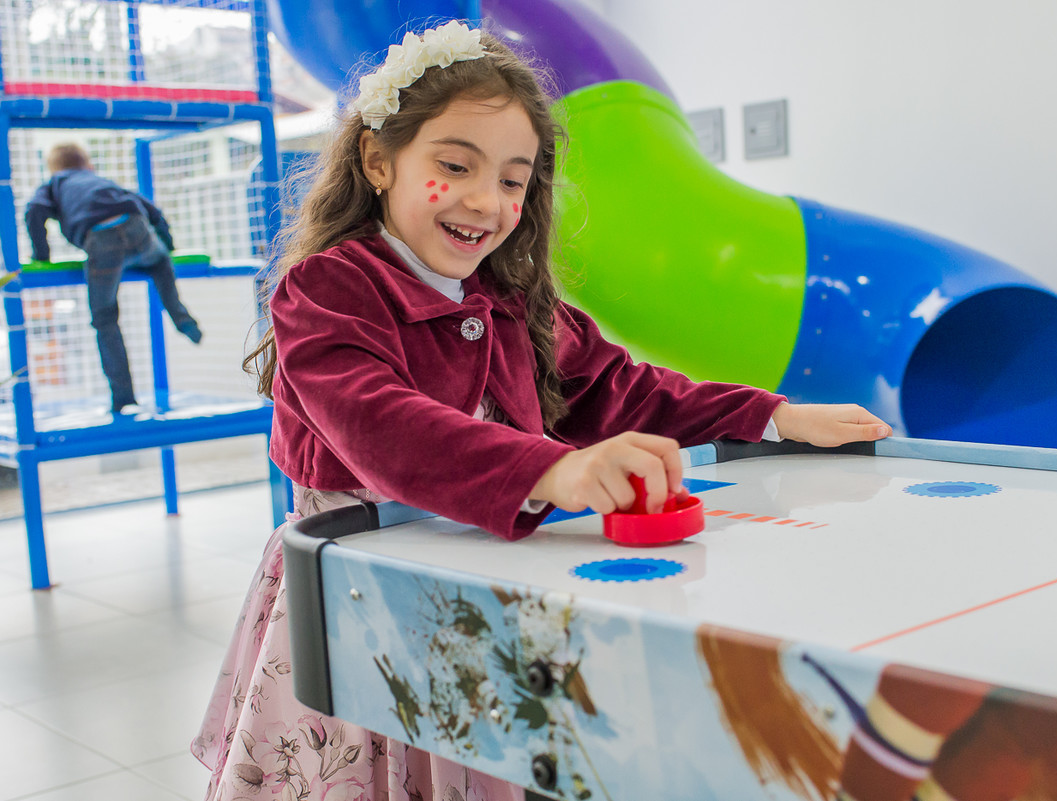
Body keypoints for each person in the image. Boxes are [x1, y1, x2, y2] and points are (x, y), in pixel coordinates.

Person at [192, 20, 892, 801]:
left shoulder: (514, 299)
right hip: (359, 603)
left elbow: (625, 388)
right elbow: (382, 426)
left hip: (483, 591)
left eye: (513, 180)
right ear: (378, 160)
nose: (486, 201)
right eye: (454, 166)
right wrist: (554, 469)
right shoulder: (330, 289)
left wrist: (772, 414)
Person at [24, 142, 202, 414]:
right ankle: (181, 317)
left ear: (53, 169)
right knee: (160, 261)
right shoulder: (101, 181)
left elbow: (34, 210)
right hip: (136, 225)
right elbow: (151, 210)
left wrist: (42, 256)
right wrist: (169, 244)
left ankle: (124, 398)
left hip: (101, 239)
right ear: (88, 166)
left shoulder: (54, 183)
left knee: (105, 318)